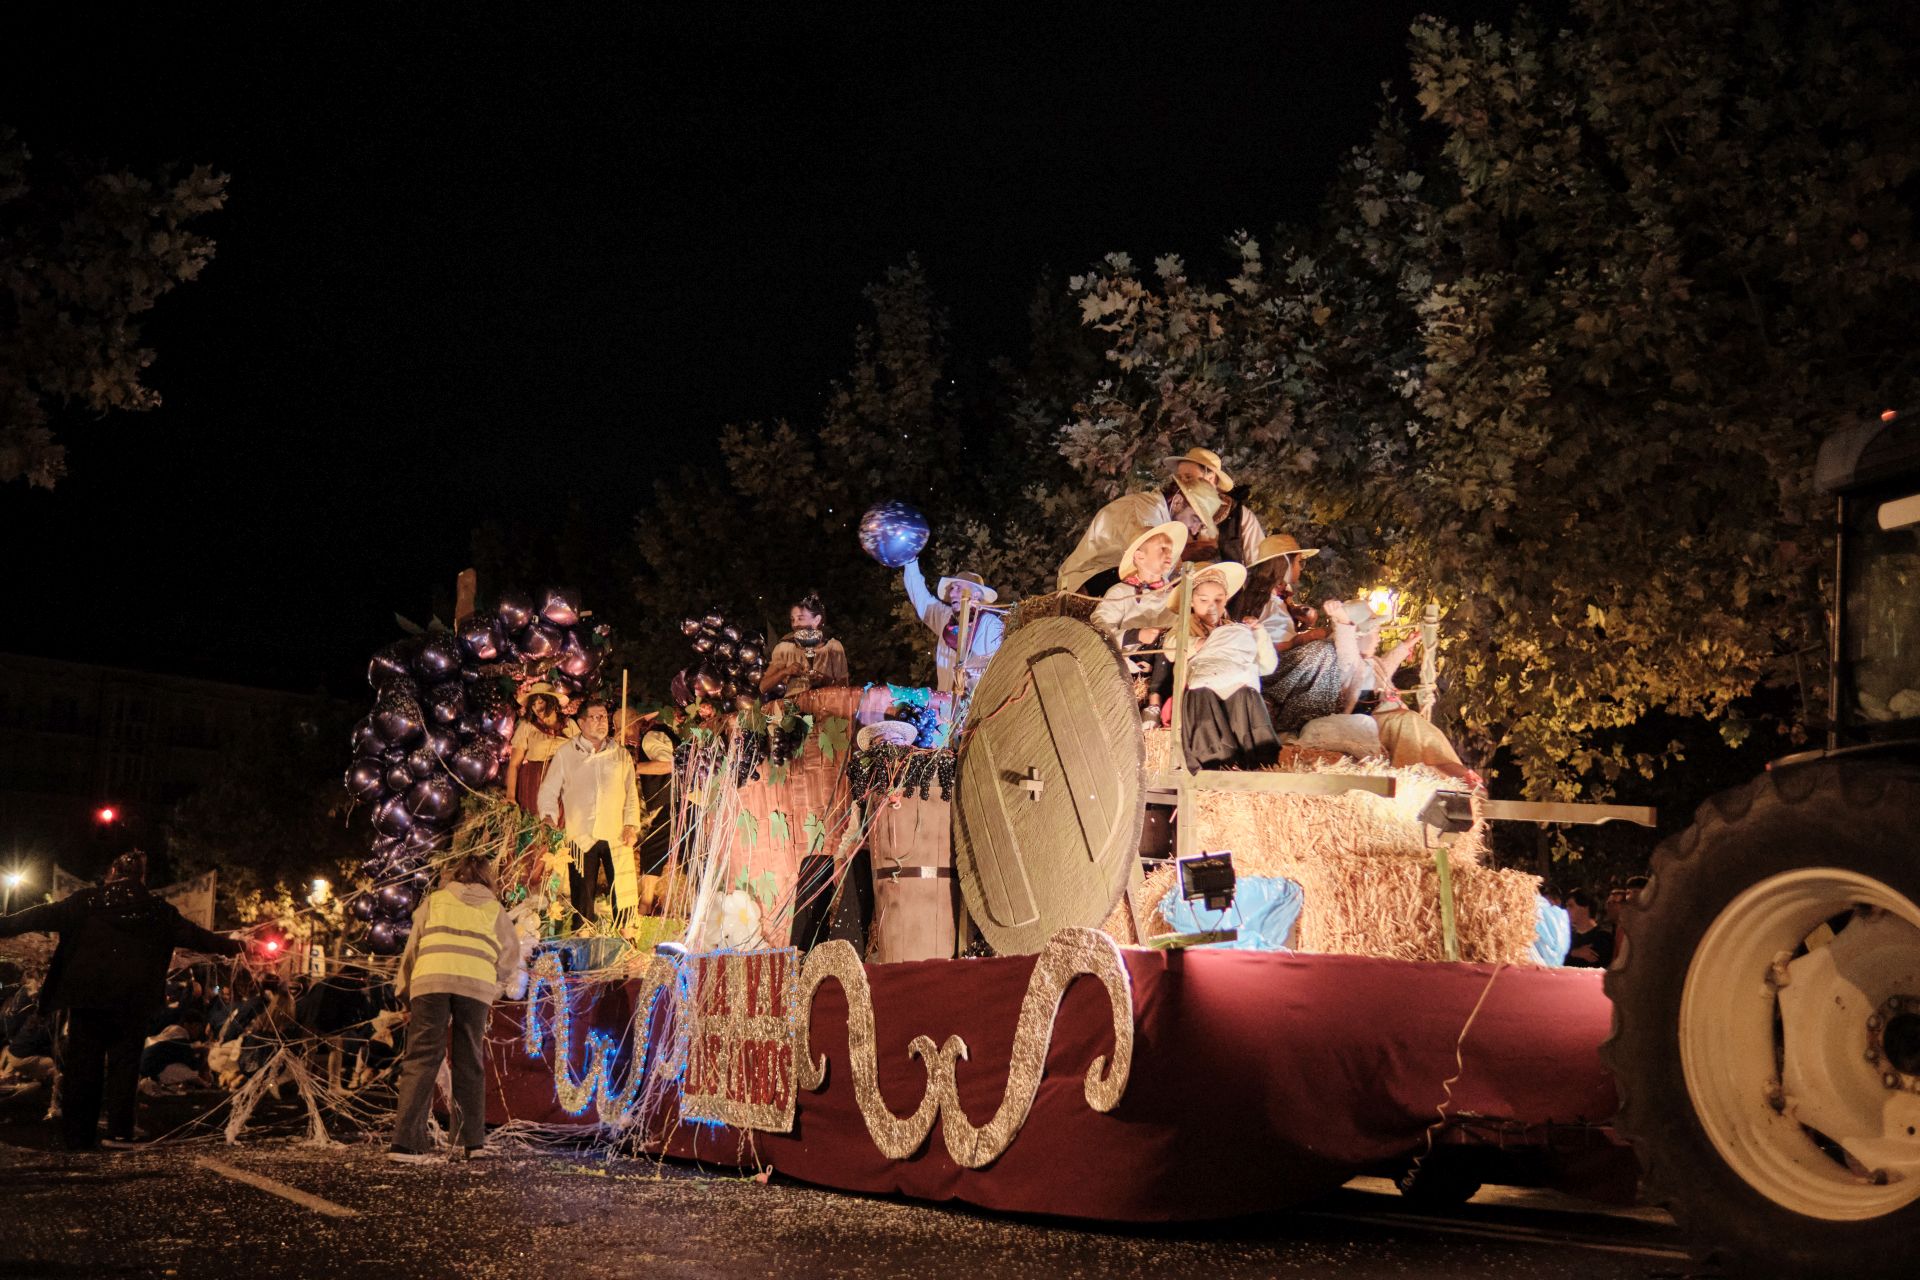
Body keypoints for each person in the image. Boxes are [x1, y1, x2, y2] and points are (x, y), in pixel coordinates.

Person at [0, 849, 243, 1150]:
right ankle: (120, 1131)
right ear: (142, 877)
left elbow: (36, 917)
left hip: (87, 998)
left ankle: (78, 1135)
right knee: (124, 1067)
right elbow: (199, 936)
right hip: (133, 1001)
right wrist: (235, 946)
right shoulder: (158, 911)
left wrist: (4, 924)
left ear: (112, 873)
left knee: (82, 1066)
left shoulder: (86, 902)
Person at [388, 855, 521, 1163]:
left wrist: (404, 991)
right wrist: (494, 983)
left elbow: (414, 947)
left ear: (454, 876)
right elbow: (510, 955)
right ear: (488, 879)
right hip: (474, 986)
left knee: (421, 1058)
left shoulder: (436, 901)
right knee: (469, 1059)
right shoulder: (494, 909)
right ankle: (470, 1142)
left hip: (430, 981)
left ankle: (405, 1144)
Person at [1056, 447, 1266, 596]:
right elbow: (1147, 560)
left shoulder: (1163, 514)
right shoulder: (1147, 510)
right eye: (1195, 519)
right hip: (1085, 585)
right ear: (1176, 501)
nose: (1194, 530)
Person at [1165, 563, 1282, 771]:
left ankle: (1258, 760)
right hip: (1201, 690)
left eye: (1218, 600)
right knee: (1203, 694)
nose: (1212, 606)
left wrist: (1258, 634)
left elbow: (1266, 666)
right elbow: (1171, 649)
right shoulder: (1185, 627)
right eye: (1203, 600)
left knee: (1246, 694)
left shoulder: (1233, 630)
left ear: (1226, 600)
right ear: (1191, 601)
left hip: (1234, 688)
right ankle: (1216, 761)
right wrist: (1200, 644)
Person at [537, 699, 641, 928]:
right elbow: (548, 789)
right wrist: (548, 816)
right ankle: (582, 940)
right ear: (581, 723)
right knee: (582, 895)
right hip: (581, 834)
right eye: (595, 717)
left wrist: (631, 825)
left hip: (616, 833)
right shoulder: (566, 753)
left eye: (604, 716)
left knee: (622, 893)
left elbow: (631, 794)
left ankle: (627, 938)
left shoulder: (620, 754)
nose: (601, 722)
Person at [1091, 521, 1188, 720]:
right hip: (1133, 659)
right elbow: (1100, 628)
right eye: (1162, 549)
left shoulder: (1174, 596)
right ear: (1140, 556)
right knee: (1164, 641)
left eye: (1170, 550)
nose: (1169, 554)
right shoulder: (1121, 592)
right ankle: (1154, 703)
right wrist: (1136, 634)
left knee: (1172, 639)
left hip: (1167, 658)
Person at [901, 560, 1004, 693]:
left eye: (958, 588)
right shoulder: (946, 618)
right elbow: (921, 598)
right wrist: (910, 562)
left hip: (979, 708)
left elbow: (999, 667)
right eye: (951, 589)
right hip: (946, 707)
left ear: (976, 595)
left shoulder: (991, 625)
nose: (951, 594)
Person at [1232, 533, 1325, 654]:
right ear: (1285, 564)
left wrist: (1300, 617)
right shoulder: (1265, 600)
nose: (1301, 568)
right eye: (1299, 562)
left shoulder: (1279, 595)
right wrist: (1308, 636)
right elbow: (1270, 649)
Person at [503, 683, 577, 813]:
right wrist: (510, 796)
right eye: (533, 704)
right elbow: (514, 765)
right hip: (534, 781)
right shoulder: (527, 727)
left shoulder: (569, 725)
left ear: (552, 702)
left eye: (541, 702)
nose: (537, 708)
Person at [761, 591, 850, 698]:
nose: (795, 624)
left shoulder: (833, 648)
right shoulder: (785, 648)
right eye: (792, 620)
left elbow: (844, 686)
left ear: (816, 620)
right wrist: (786, 671)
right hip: (794, 709)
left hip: (825, 708)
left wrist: (823, 679)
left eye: (800, 618)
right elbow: (763, 687)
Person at [1565, 888, 1614, 968]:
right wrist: (1574, 953)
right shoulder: (1567, 937)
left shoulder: (1603, 937)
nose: (1567, 910)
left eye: (1571, 906)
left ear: (1584, 907)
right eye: (1567, 906)